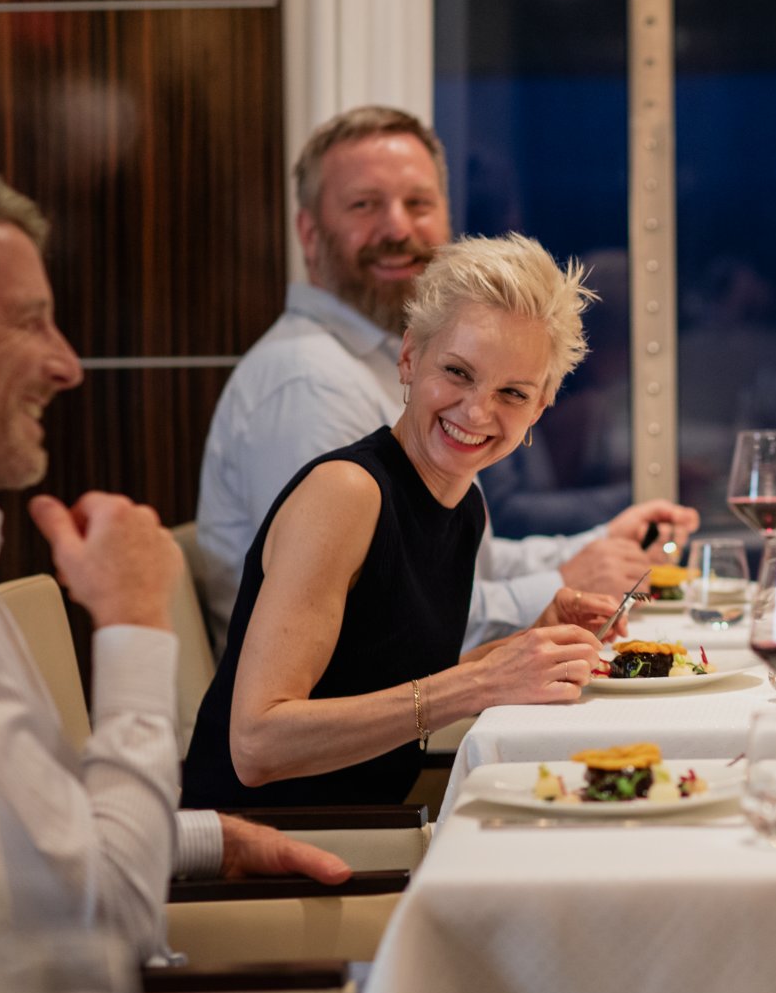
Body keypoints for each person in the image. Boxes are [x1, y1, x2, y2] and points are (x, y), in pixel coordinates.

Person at [0, 165, 348, 963]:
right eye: (29, 324)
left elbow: (31, 848)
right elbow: (106, 922)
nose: (67, 364)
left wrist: (205, 837)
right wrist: (134, 625)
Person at [195, 106, 696, 650]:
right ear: (309, 232)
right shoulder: (310, 382)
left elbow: (455, 565)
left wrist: (599, 546)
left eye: (418, 203)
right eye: (365, 205)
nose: (397, 227)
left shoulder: (397, 367)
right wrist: (561, 584)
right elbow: (377, 614)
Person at [182, 234, 607, 809]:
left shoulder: (464, 507)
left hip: (368, 824)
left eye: (512, 392)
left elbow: (384, 681)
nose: (478, 411)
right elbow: (257, 743)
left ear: (542, 406)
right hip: (265, 852)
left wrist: (526, 647)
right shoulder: (346, 493)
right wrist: (480, 683)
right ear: (409, 358)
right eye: (457, 372)